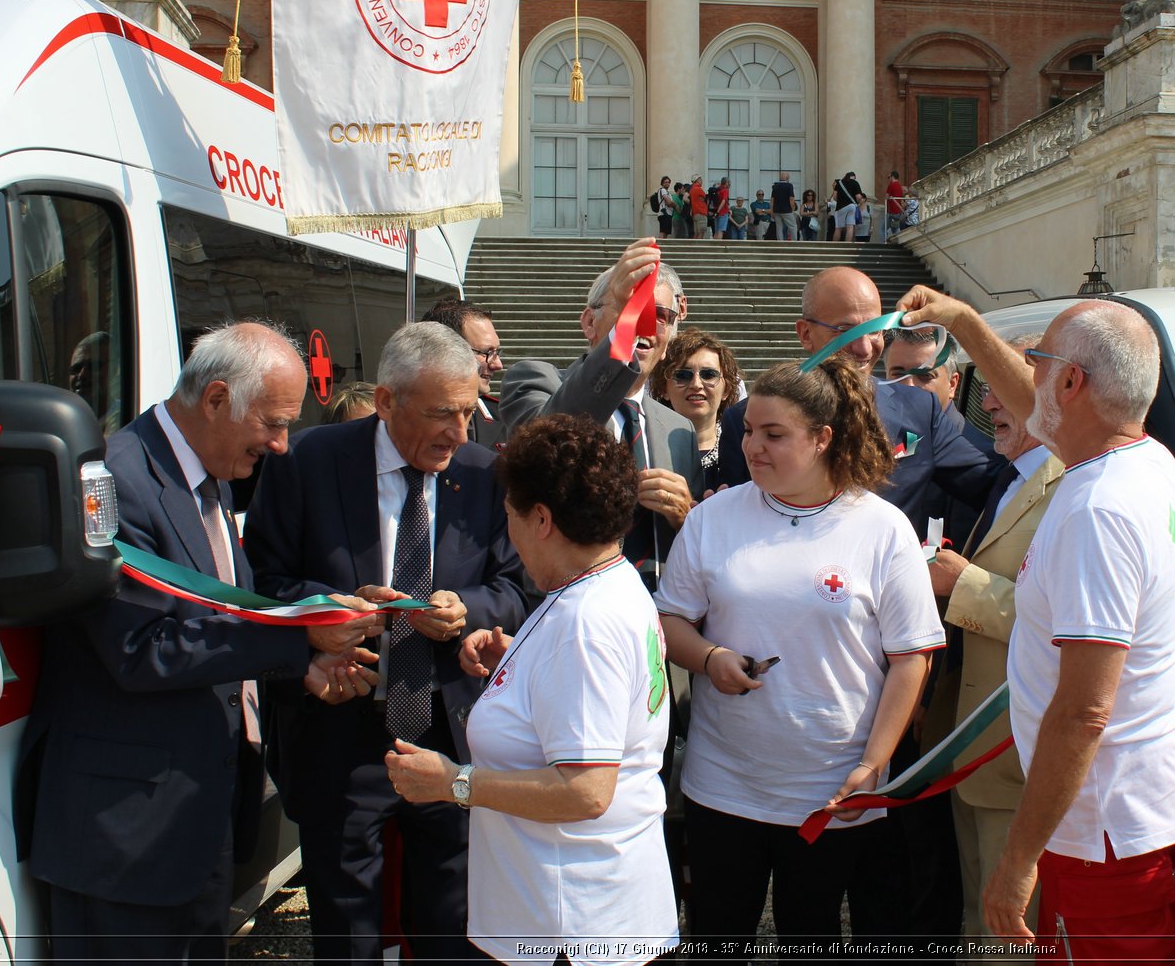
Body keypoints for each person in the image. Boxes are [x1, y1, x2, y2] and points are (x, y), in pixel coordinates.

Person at [21, 321, 382, 963]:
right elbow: (142, 649)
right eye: (272, 423)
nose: (280, 445)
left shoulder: (205, 477)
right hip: (125, 841)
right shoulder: (115, 481)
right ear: (215, 399)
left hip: (196, 827)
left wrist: (306, 660)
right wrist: (298, 642)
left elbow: (212, 620)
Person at [895, 287, 1175, 966]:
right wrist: (964, 322)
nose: (1023, 374)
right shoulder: (1136, 457)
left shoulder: (1100, 509)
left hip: (1098, 829)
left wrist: (1019, 861)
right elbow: (1038, 406)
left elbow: (1085, 708)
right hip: (1111, 816)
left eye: (1037, 360)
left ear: (1071, 380)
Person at [244, 321, 528, 965]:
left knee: (451, 929)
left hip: (451, 733)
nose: (459, 432)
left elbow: (515, 586)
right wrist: (322, 615)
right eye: (440, 415)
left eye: (466, 411)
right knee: (346, 937)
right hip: (339, 731)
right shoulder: (308, 462)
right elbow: (260, 582)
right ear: (386, 401)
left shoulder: (484, 474)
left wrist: (469, 609)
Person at [656, 356, 944, 960]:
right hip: (723, 785)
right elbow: (669, 620)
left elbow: (911, 657)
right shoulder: (713, 517)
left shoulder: (883, 528)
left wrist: (874, 763)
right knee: (715, 935)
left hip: (831, 790)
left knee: (810, 934)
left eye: (773, 434)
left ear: (822, 439)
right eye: (748, 431)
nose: (752, 447)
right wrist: (709, 659)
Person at [387, 413, 679, 966]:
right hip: (585, 913)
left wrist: (455, 783)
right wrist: (518, 663)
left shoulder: (585, 621)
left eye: (510, 517)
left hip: (570, 928)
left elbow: (585, 792)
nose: (510, 533)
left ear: (541, 518)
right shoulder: (604, 583)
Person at [927, 334, 1065, 948]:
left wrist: (966, 586)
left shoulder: (1076, 487)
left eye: (1008, 386)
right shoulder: (1009, 475)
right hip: (973, 742)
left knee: (1009, 932)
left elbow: (1073, 626)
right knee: (982, 925)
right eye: (984, 389)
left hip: (1021, 756)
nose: (991, 407)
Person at [716, 266, 998, 538]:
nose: (863, 348)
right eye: (844, 330)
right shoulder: (747, 421)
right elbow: (735, 516)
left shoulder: (920, 411)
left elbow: (994, 486)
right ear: (805, 334)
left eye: (874, 330)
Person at [498, 240, 701, 593]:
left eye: (660, 316)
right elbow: (549, 445)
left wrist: (687, 517)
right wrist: (621, 336)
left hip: (658, 616)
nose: (644, 325)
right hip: (565, 606)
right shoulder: (534, 380)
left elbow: (694, 544)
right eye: (630, 309)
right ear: (589, 321)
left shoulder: (680, 429)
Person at [651, 328, 742, 495]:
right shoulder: (647, 447)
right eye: (683, 375)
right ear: (664, 389)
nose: (696, 385)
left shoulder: (744, 450)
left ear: (727, 389)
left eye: (708, 375)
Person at [421, 297, 507, 449]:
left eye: (497, 352)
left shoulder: (506, 419)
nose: (498, 365)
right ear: (445, 350)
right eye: (487, 352)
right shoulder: (410, 419)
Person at [832, 171, 863, 242]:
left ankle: (834, 246)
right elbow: (858, 197)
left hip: (840, 207)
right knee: (850, 226)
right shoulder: (855, 183)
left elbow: (834, 197)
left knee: (838, 228)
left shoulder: (839, 183)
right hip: (852, 206)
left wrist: (840, 200)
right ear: (854, 177)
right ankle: (847, 245)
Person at [771, 170, 798, 242]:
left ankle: (780, 242)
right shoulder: (789, 185)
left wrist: (772, 210)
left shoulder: (775, 186)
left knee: (779, 227)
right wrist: (792, 208)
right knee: (792, 226)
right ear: (787, 177)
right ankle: (794, 241)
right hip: (787, 210)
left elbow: (772, 199)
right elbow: (791, 198)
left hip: (777, 210)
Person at [885, 171, 908, 241]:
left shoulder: (891, 185)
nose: (889, 179)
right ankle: (897, 241)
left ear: (892, 177)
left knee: (883, 228)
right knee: (894, 228)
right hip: (897, 210)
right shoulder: (899, 186)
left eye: (889, 177)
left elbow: (886, 196)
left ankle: (883, 242)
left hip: (891, 211)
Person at [691, 175, 710, 239]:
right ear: (698, 180)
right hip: (701, 212)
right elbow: (705, 197)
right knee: (701, 232)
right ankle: (698, 247)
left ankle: (694, 247)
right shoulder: (698, 189)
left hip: (695, 212)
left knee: (697, 232)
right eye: (701, 179)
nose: (702, 181)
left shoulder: (692, 189)